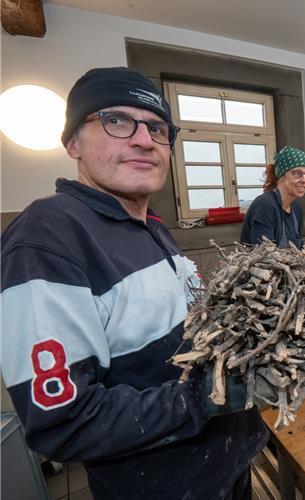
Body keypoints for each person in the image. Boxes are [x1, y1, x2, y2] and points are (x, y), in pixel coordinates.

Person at [0, 67, 266, 499]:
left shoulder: (149, 226)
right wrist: (208, 398)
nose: (144, 139)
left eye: (157, 128)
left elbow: (180, 333)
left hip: (224, 467)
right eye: (116, 121)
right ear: (72, 143)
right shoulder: (47, 237)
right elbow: (63, 420)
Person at [240, 146, 305, 248]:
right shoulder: (265, 205)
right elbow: (263, 256)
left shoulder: (296, 208)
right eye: (298, 173)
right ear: (282, 176)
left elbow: (298, 249)